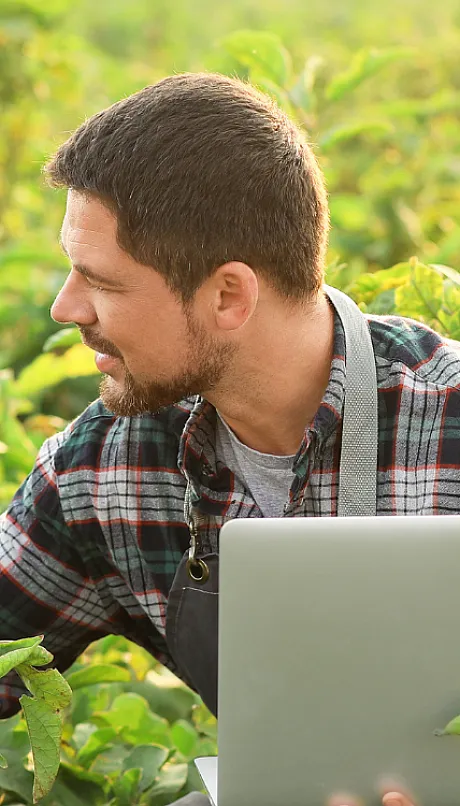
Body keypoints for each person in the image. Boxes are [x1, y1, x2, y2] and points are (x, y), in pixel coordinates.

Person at [1, 72, 459, 806]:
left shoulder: (448, 419)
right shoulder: (106, 466)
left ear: (228, 295)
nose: (64, 307)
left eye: (102, 282)